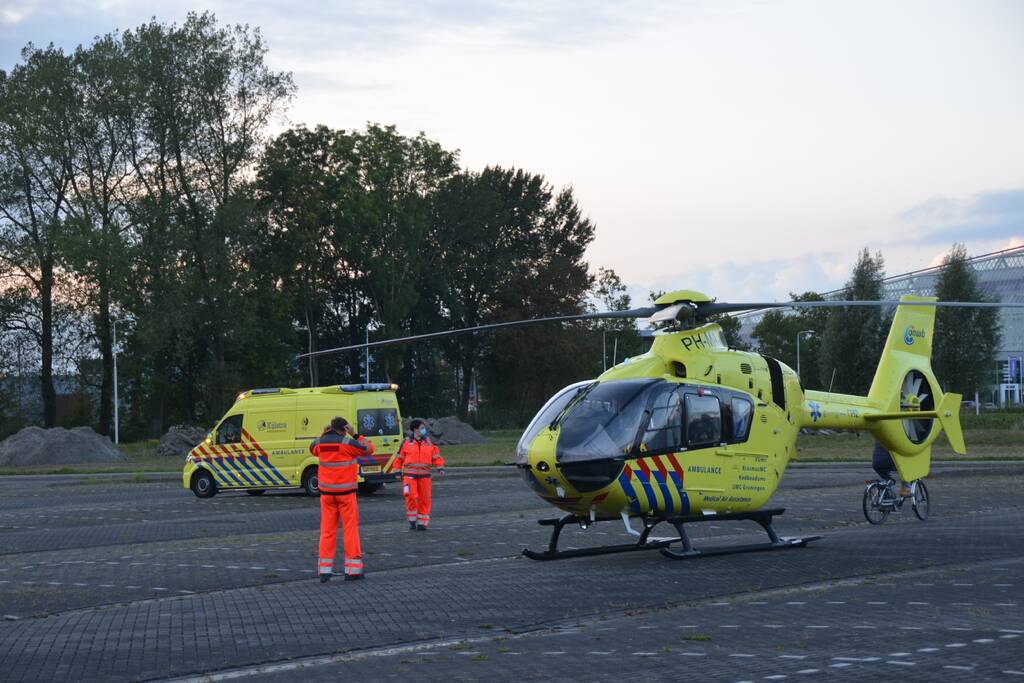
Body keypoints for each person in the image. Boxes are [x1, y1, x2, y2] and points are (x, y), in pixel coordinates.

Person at [311, 416, 375, 582]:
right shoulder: (348, 443)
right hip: (346, 495)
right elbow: (369, 449)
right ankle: (352, 570)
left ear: (331, 427)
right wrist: (355, 434)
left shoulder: (320, 443)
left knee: (327, 531)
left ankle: (324, 571)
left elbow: (312, 448)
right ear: (345, 429)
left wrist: (324, 434)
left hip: (327, 495)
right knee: (350, 530)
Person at [390, 419, 445, 530]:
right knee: (411, 496)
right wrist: (397, 471)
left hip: (425, 477)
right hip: (409, 476)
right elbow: (399, 458)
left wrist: (440, 467)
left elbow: (436, 456)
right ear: (415, 429)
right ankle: (412, 520)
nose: (424, 430)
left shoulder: (428, 442)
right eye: (422, 428)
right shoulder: (406, 443)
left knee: (425, 499)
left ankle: (422, 523)